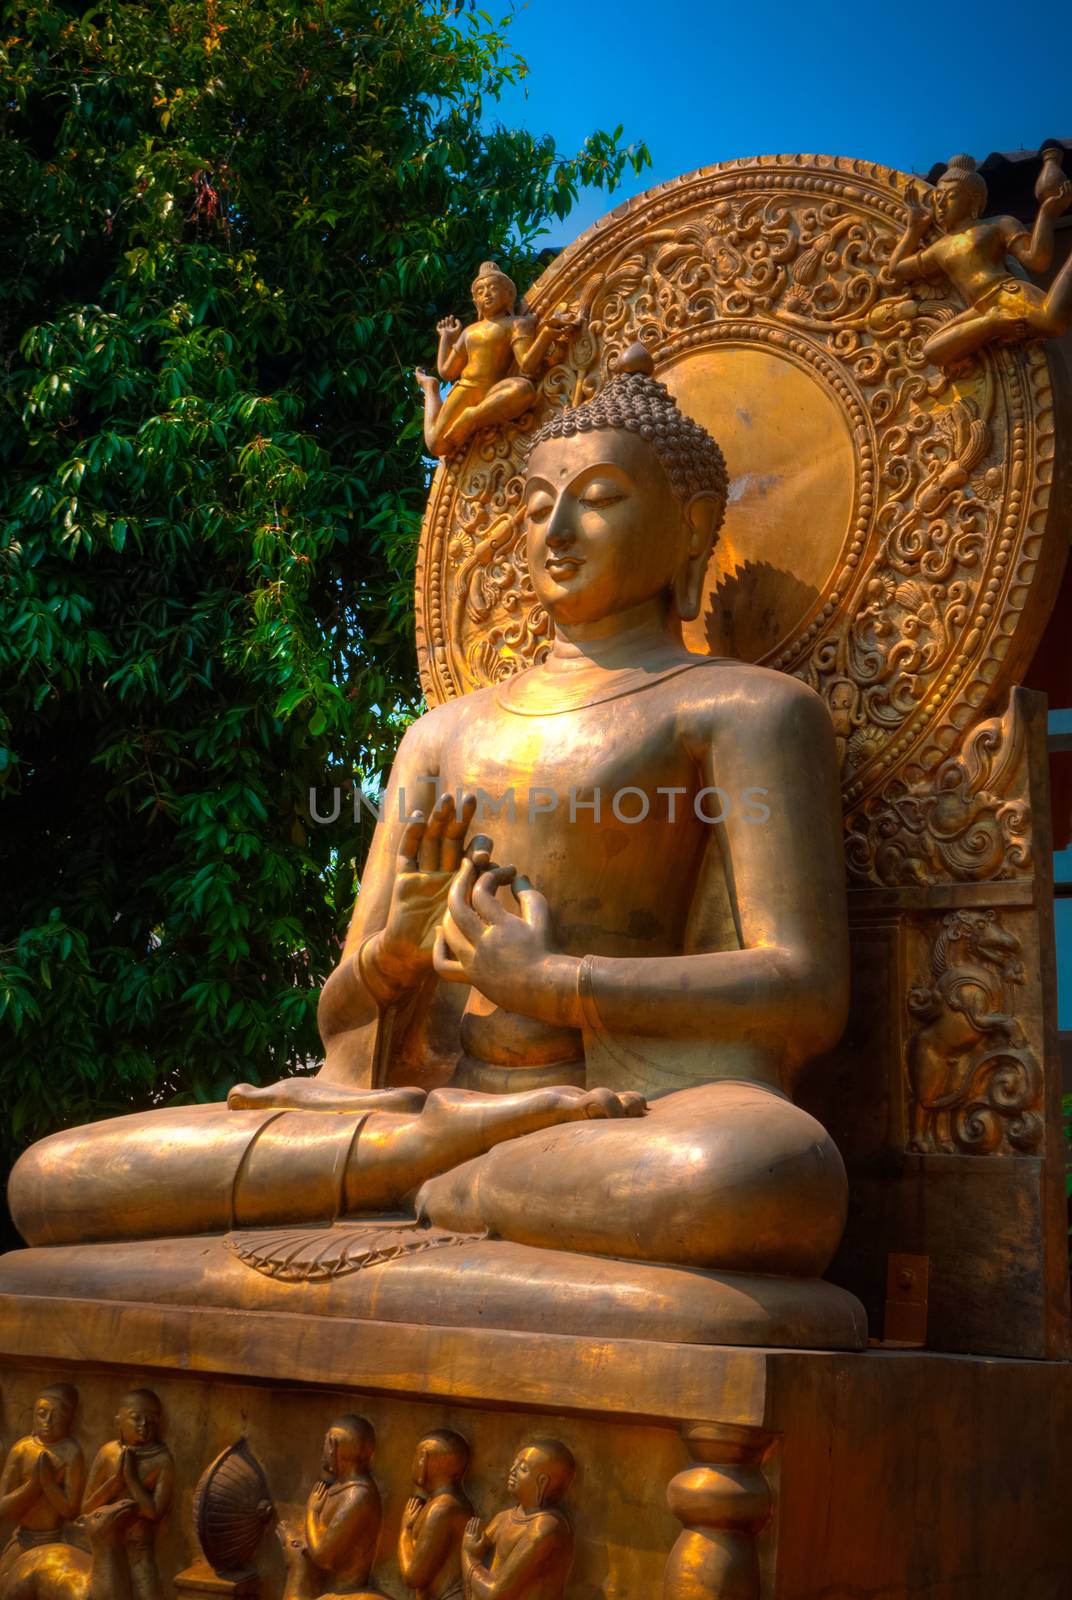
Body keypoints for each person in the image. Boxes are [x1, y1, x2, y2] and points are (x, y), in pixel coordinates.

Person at [9, 346, 850, 1283]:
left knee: (757, 1178)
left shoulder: (746, 710)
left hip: (629, 1112)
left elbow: (804, 988)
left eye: (600, 500)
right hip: (424, 1108)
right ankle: (447, 1160)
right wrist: (392, 957)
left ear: (693, 527)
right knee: (53, 1179)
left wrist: (556, 981)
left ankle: (448, 1174)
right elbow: (340, 1015)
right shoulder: (443, 735)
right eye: (535, 508)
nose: (556, 532)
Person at [889, 152, 1072, 367]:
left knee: (1052, 322)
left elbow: (1037, 260)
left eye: (951, 196)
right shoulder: (940, 249)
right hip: (981, 311)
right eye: (938, 197)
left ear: (974, 200)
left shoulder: (998, 224)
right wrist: (914, 229)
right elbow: (897, 269)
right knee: (931, 351)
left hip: (1008, 294)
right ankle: (992, 324)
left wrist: (1047, 214)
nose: (941, 203)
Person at [416, 262, 577, 457]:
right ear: (476, 301)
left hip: (495, 391)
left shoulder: (517, 323)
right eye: (481, 291)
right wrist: (446, 338)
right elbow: (446, 371)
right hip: (467, 387)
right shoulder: (469, 332)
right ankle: (430, 388)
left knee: (524, 389)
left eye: (493, 288)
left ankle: (473, 416)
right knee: (437, 445)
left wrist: (547, 335)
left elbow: (527, 366)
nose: (486, 294)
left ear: (509, 295)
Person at [82, 1388, 173, 1600]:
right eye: (136, 1418)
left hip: (139, 1551)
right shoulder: (108, 1453)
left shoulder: (162, 1459)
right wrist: (115, 1482)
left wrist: (131, 1479)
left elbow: (154, 1513)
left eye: (151, 1420)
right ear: (118, 1421)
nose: (144, 1426)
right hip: (106, 1550)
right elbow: (86, 1508)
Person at [461, 1441, 574, 1600]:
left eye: (523, 1469)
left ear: (542, 1482)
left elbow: (496, 1594)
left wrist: (468, 1555)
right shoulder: (503, 1518)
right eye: (514, 1464)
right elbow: (478, 1547)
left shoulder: (546, 1527)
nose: (512, 1471)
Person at [0, 1384, 84, 1580]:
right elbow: (2, 1509)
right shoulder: (22, 1449)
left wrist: (48, 1484)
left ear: (70, 1420)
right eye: (42, 1413)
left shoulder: (71, 1452)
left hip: (55, 1540)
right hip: (23, 1539)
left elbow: (71, 1510)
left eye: (57, 1415)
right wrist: (33, 1486)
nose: (48, 1421)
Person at [398, 1431, 473, 1599]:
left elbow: (413, 1577)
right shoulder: (444, 1502)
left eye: (416, 1456)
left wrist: (405, 1530)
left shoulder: (442, 1508)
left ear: (423, 1460)